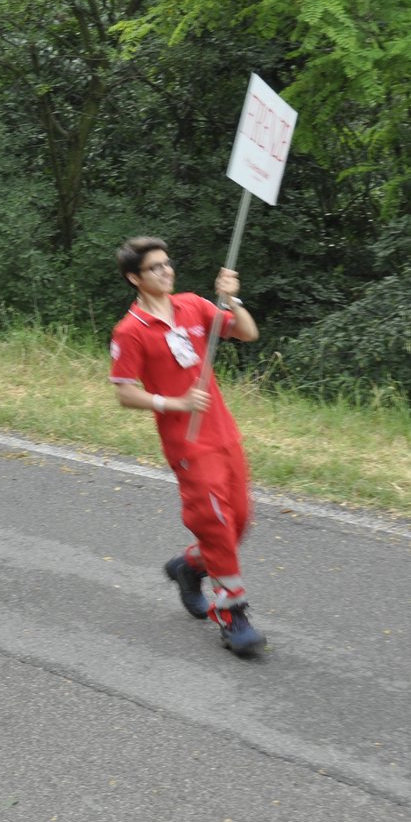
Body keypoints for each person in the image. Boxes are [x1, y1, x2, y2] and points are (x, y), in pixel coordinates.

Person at [109, 236, 266, 656]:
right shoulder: (131, 331)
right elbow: (124, 392)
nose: (166, 271)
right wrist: (174, 402)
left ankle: (189, 566)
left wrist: (232, 300)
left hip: (224, 431)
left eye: (167, 264)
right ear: (134, 278)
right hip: (188, 442)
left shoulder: (194, 305)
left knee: (239, 521)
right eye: (155, 268)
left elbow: (248, 333)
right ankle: (232, 615)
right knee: (215, 523)